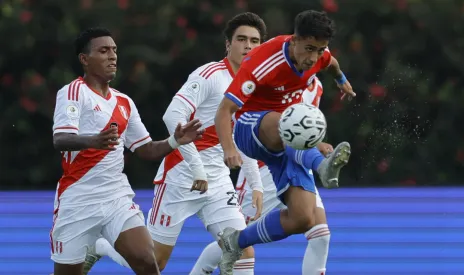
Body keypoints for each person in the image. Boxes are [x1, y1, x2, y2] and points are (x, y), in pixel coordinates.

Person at [81, 13, 268, 275]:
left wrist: (256, 184)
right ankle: (100, 246)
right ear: (228, 44)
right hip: (181, 177)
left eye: (255, 41)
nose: (248, 46)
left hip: (218, 181)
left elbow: (243, 135)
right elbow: (172, 116)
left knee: (242, 251)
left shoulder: (254, 86)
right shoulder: (210, 75)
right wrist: (197, 169)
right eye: (242, 39)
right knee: (154, 263)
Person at [50, 27, 204, 275]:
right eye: (103, 51)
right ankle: (95, 248)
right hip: (78, 198)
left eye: (114, 50)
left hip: (115, 196)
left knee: (146, 260)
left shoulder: (124, 102)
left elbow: (146, 150)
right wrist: (93, 141)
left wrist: (174, 141)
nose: (112, 56)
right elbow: (60, 139)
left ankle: (101, 247)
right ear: (84, 59)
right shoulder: (73, 92)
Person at [214, 10, 356, 274]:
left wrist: (341, 80)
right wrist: (229, 149)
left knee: (304, 218)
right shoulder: (262, 61)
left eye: (320, 49)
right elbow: (223, 111)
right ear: (294, 40)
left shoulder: (319, 56)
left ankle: (236, 241)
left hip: (289, 140)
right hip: (251, 129)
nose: (313, 57)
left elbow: (331, 62)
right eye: (309, 48)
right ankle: (321, 166)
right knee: (292, 120)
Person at [194, 76, 334, 275]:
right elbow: (257, 123)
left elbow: (302, 133)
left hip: (297, 165)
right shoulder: (277, 75)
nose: (314, 58)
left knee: (320, 234)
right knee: (236, 241)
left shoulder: (317, 86)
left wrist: (318, 144)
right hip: (264, 169)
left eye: (321, 52)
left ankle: (321, 166)